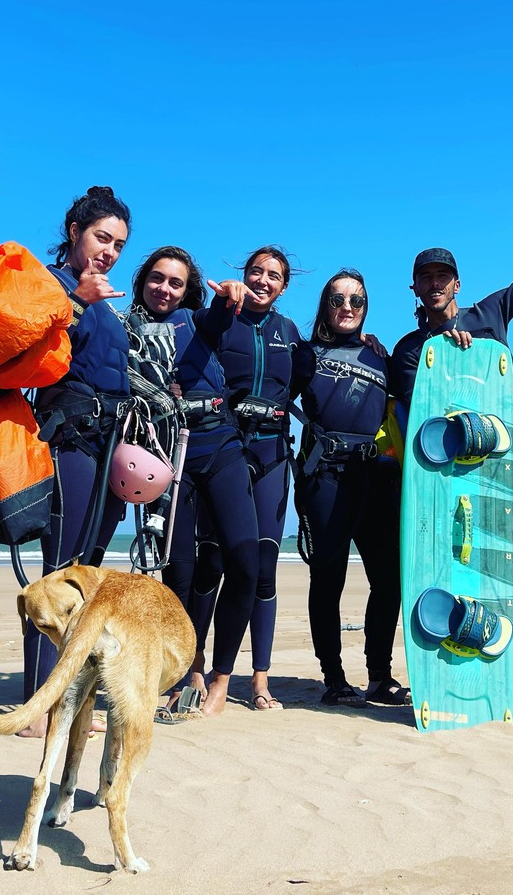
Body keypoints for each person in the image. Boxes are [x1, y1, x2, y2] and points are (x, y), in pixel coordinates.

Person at [391, 233, 513, 705]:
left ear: (457, 283)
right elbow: (424, 414)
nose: (434, 283)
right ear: (414, 288)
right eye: (425, 277)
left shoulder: (491, 312)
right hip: (464, 472)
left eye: (442, 276)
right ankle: (466, 669)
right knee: (477, 573)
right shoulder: (412, 350)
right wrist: (452, 357)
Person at [123, 247, 259, 718]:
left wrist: (231, 297)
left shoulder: (194, 320)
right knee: (176, 576)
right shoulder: (127, 330)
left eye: (175, 282)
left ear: (188, 290)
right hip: (165, 458)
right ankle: (187, 670)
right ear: (143, 281)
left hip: (219, 447)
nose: (165, 288)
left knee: (245, 562)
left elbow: (219, 319)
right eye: (157, 279)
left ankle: (221, 677)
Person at [20, 186, 132, 737]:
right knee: (57, 572)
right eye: (101, 237)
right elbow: (25, 347)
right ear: (74, 233)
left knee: (84, 575)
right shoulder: (53, 283)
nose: (109, 251)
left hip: (111, 444)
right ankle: (36, 707)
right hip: (70, 438)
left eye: (118, 244)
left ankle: (63, 697)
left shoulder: (108, 303)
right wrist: (78, 301)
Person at [195, 246, 303, 712]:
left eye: (273, 275)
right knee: (212, 564)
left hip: (273, 454)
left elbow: (304, 383)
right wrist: (223, 303)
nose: (262, 280)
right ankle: (195, 666)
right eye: (255, 272)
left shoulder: (290, 334)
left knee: (263, 569)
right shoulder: (222, 317)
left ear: (284, 286)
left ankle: (258, 679)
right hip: (225, 451)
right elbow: (198, 339)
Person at [292, 270, 406, 707]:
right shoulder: (306, 354)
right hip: (326, 477)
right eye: (338, 299)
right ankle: (334, 678)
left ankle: (379, 676)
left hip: (375, 479)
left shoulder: (382, 357)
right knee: (328, 579)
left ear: (366, 308)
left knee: (389, 580)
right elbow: (269, 393)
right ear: (325, 303)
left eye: (356, 301)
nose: (347, 307)